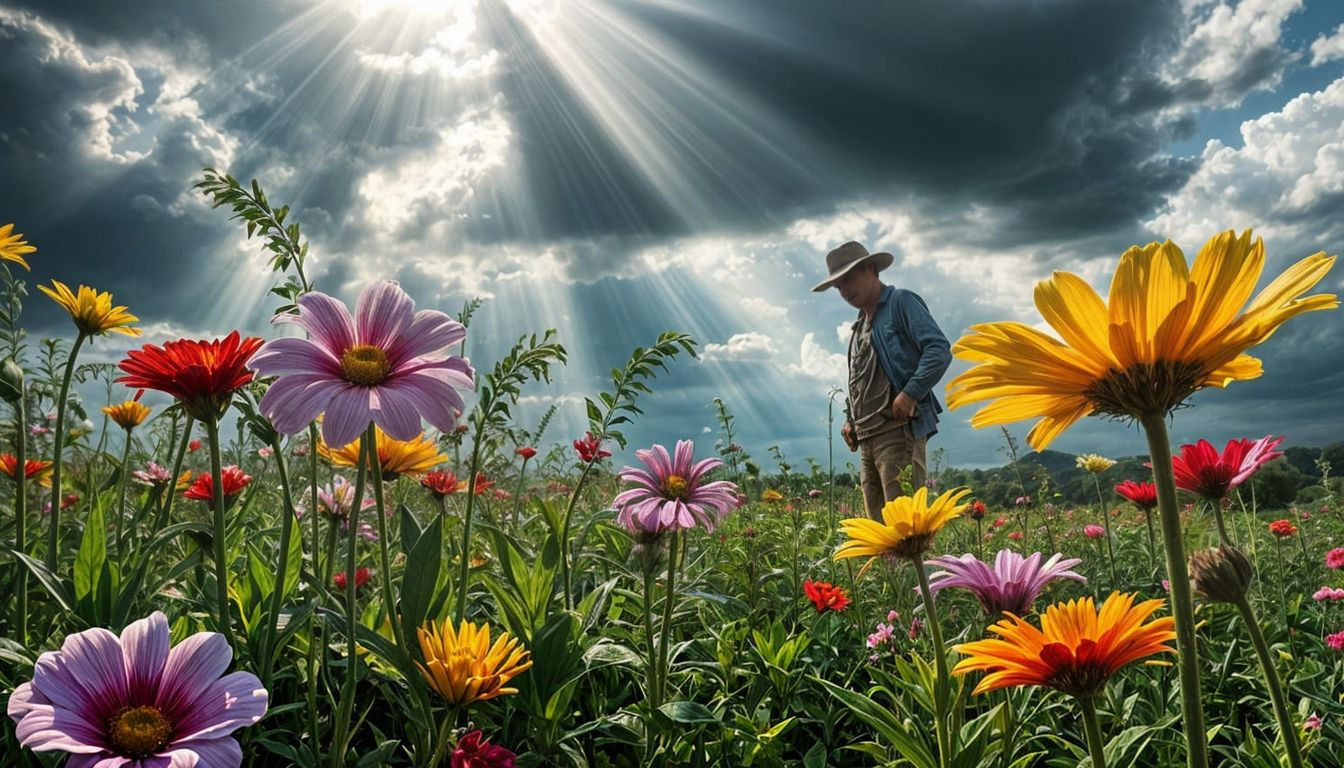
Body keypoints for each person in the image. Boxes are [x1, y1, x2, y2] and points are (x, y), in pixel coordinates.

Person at [812, 241, 952, 520]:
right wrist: (851, 421)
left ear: (870, 268)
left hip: (898, 432)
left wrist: (910, 393)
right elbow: (861, 378)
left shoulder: (900, 302)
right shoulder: (859, 326)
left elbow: (938, 350)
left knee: (906, 526)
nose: (844, 291)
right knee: (877, 531)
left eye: (848, 279)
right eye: (838, 286)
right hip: (867, 440)